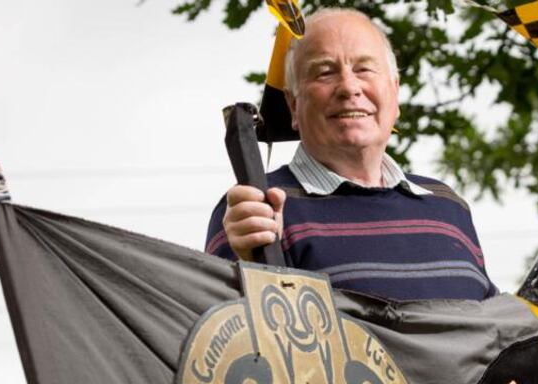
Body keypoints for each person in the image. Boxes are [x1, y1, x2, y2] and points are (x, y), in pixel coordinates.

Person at [205, 8, 497, 301]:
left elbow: (492, 322)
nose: (348, 87)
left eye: (364, 69)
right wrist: (248, 262)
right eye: (325, 72)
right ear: (293, 105)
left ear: (395, 93)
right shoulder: (255, 208)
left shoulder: (448, 205)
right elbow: (225, 323)